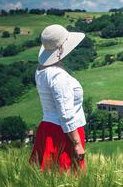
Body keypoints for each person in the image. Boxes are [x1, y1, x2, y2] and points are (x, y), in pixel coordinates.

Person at [30, 24, 87, 171]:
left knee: (50, 182)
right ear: (61, 49)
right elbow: (66, 114)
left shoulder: (41, 71)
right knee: (67, 183)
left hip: (47, 129)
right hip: (63, 133)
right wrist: (77, 143)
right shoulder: (58, 76)